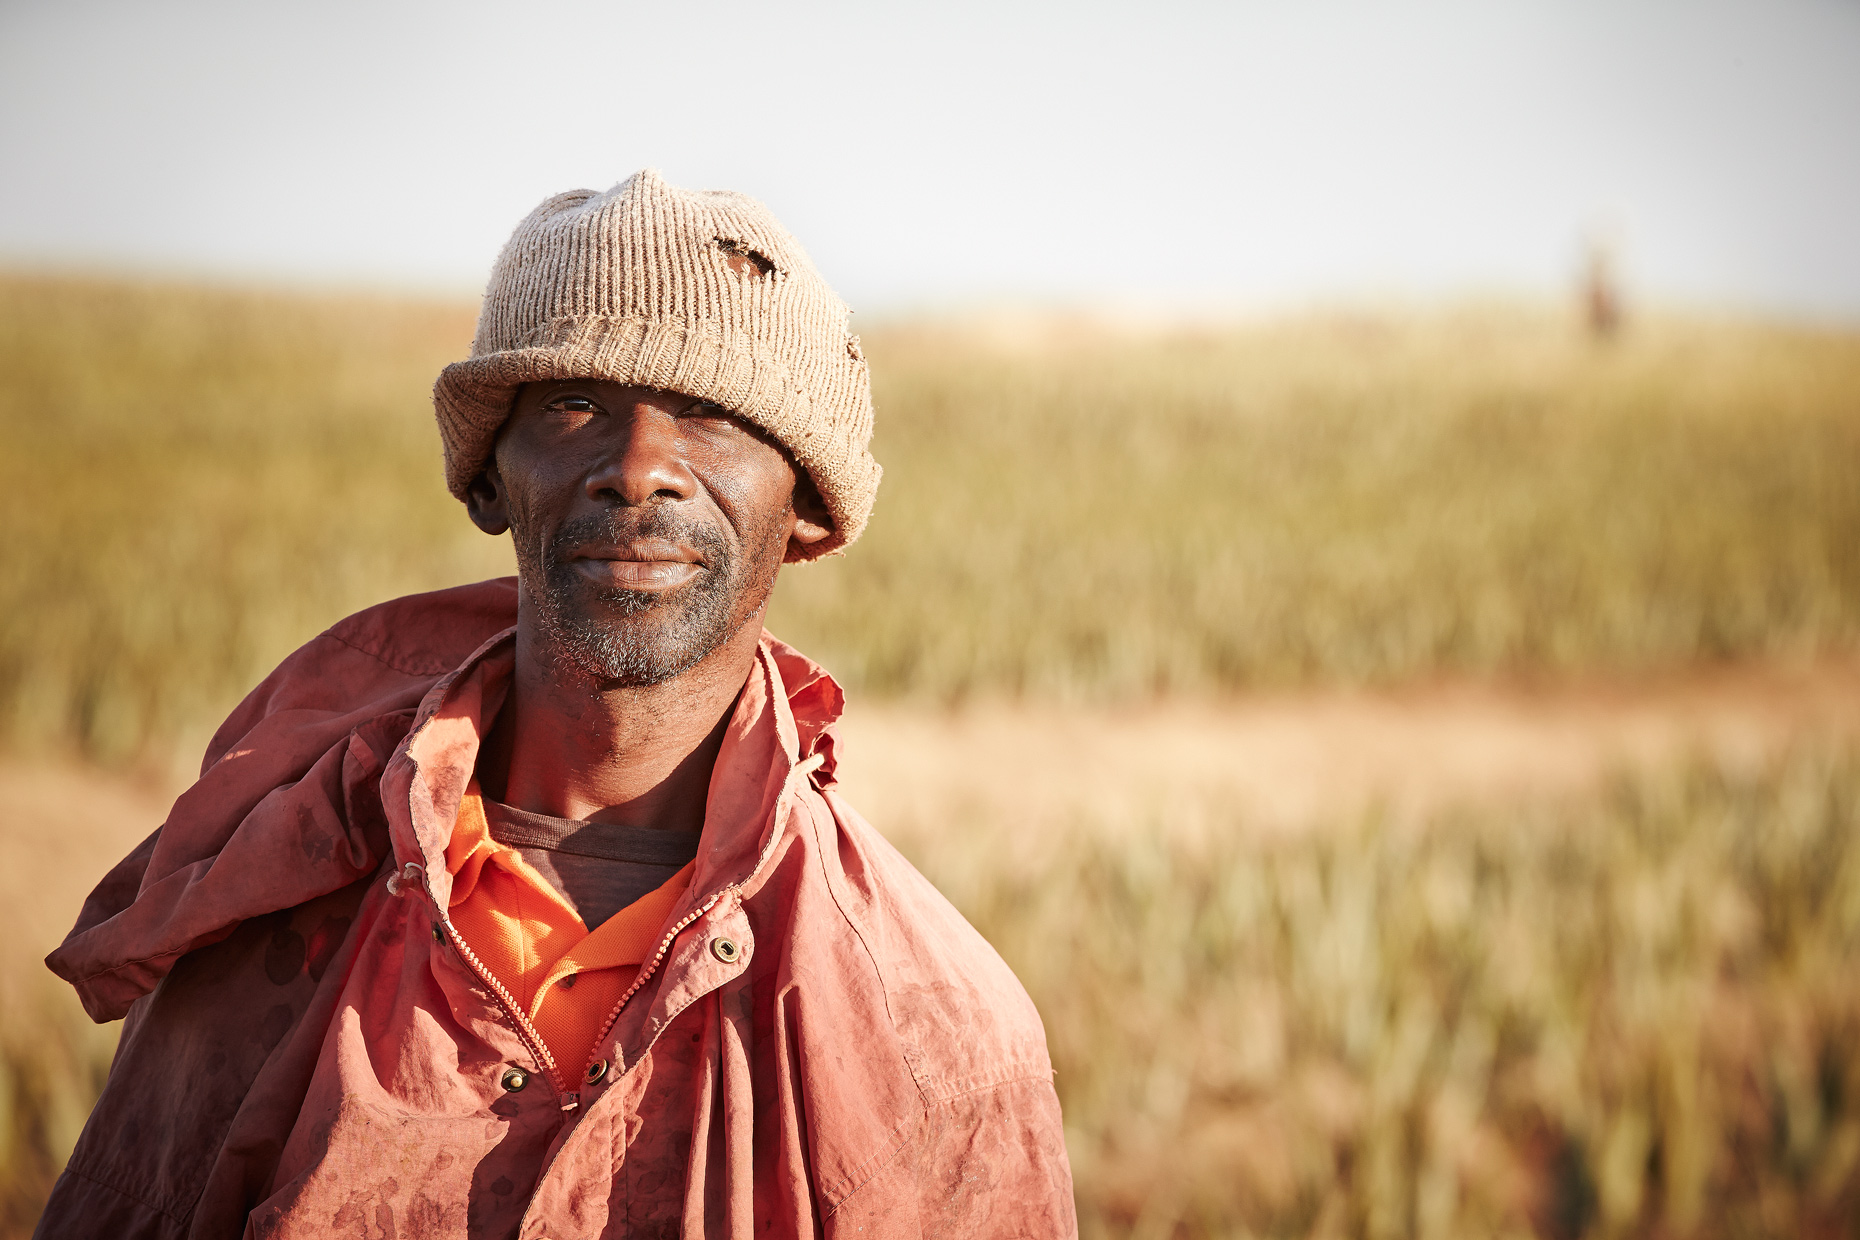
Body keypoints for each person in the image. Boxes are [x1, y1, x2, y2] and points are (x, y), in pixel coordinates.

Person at [36, 170, 1075, 1239]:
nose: (638, 470)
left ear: (808, 503)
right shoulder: (280, 902)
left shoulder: (930, 1034)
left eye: (713, 416)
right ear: (489, 478)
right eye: (575, 405)